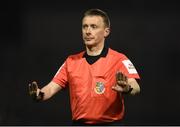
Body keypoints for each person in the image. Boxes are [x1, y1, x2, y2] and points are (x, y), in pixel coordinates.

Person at [29, 8, 140, 125]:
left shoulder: (119, 59)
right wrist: (39, 95)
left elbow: (136, 87)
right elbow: (51, 88)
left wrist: (128, 89)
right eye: (85, 26)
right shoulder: (71, 61)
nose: (88, 31)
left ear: (106, 31)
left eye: (94, 27)